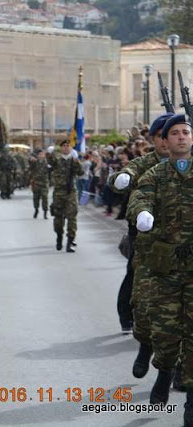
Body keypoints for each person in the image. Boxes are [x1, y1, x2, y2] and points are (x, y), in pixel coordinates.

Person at [127, 114, 193, 427]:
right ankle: (164, 372)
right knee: (166, 335)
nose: (181, 137)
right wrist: (142, 214)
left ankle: (191, 401)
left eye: (186, 132)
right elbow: (140, 196)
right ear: (165, 141)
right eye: (175, 133)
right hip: (166, 269)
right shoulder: (156, 172)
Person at [110, 113, 172, 345]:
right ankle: (128, 318)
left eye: (171, 135)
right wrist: (120, 179)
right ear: (152, 140)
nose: (166, 141)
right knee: (136, 278)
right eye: (160, 136)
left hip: (178, 236)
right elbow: (122, 175)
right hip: (145, 237)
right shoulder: (146, 163)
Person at [49, 140, 84, 252]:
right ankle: (59, 236)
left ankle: (70, 242)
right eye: (63, 146)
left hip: (71, 192)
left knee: (72, 217)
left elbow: (81, 173)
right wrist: (53, 151)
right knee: (58, 217)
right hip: (59, 192)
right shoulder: (56, 159)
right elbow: (49, 160)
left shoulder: (74, 160)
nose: (66, 147)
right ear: (61, 148)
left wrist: (77, 162)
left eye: (68, 146)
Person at [29, 149, 49, 219]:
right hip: (36, 182)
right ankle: (36, 210)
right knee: (36, 198)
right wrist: (31, 159)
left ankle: (45, 212)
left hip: (44, 183)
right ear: (37, 155)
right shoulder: (34, 162)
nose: (41, 156)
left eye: (42, 154)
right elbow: (30, 167)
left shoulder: (47, 162)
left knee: (45, 198)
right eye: (40, 154)